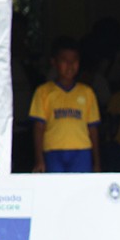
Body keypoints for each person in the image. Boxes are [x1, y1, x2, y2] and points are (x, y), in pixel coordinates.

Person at [29, 36, 101, 173]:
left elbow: (93, 128)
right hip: (53, 151)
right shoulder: (43, 92)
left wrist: (96, 162)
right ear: (54, 62)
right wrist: (39, 159)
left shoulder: (87, 92)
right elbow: (38, 127)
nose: (70, 65)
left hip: (82, 151)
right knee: (55, 186)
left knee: (80, 186)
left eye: (74, 61)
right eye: (64, 61)